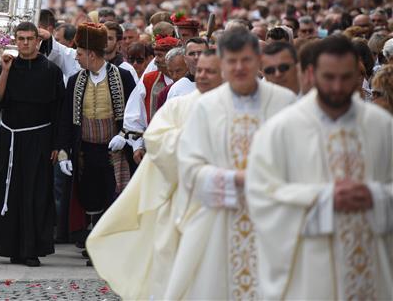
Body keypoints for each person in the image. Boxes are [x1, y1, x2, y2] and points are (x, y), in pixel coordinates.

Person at [246, 35, 393, 299]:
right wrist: (323, 199)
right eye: (329, 77)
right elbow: (260, 194)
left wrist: (376, 196)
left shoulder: (381, 126)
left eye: (346, 77)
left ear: (359, 75)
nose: (337, 87)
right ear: (311, 74)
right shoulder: (281, 129)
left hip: (371, 265)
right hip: (309, 268)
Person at [163, 29, 297, 299]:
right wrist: (231, 179)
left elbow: (301, 160)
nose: (239, 68)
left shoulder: (285, 103)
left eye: (246, 60)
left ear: (258, 60)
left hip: (273, 219)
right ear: (222, 63)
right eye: (232, 61)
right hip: (219, 219)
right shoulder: (206, 106)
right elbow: (189, 165)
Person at [86, 50, 223, 299]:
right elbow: (157, 137)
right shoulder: (179, 102)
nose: (203, 76)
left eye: (210, 71)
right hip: (181, 196)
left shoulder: (232, 107)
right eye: (200, 70)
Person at [0, 21, 65, 267]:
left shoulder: (51, 70)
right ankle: (10, 247)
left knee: (35, 193)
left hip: (39, 139)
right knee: (10, 191)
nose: (26, 43)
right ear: (15, 40)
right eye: (21, 39)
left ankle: (31, 249)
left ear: (38, 41)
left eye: (30, 38)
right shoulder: (7, 65)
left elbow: (59, 110)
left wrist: (57, 145)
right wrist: (6, 71)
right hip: (10, 138)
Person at [55, 23, 137, 264]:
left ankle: (106, 246)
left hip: (114, 151)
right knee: (91, 196)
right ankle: (96, 241)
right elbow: (65, 119)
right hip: (85, 150)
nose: (77, 57)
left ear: (91, 54)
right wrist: (63, 153)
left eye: (79, 52)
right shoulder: (75, 80)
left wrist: (124, 135)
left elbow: (134, 114)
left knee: (113, 194)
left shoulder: (122, 77)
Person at [116, 35, 182, 165]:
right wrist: (137, 146)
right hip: (153, 151)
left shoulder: (190, 81)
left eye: (161, 56)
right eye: (155, 55)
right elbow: (134, 115)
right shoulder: (149, 80)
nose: (156, 60)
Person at [164, 37, 208, 102]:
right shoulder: (176, 89)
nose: (196, 57)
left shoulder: (221, 83)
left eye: (200, 53)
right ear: (185, 59)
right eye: (192, 54)